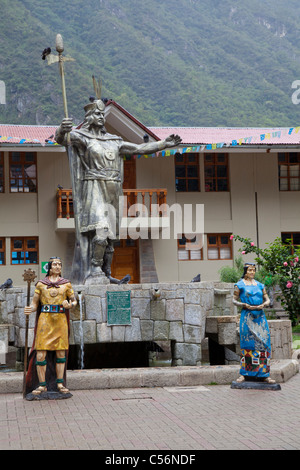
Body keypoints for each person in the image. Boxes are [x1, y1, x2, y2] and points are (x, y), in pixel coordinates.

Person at [55, 99, 182, 284]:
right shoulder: (83, 138)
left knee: (110, 239)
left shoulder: (114, 141)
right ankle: (95, 269)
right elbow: (62, 140)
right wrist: (62, 129)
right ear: (89, 117)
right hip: (94, 186)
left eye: (101, 114)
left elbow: (140, 148)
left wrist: (164, 143)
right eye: (97, 114)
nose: (100, 117)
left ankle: (106, 272)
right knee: (101, 230)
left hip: (113, 189)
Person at [24, 257, 77, 396]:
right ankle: (42, 385)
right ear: (49, 267)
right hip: (45, 321)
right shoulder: (41, 284)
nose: (58, 266)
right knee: (41, 353)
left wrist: (69, 305)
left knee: (60, 352)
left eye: (60, 264)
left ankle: (60, 383)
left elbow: (74, 301)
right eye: (55, 264)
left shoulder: (66, 284)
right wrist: (30, 309)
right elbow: (35, 304)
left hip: (60, 321)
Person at [233, 263, 275, 384]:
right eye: (250, 270)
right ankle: (245, 373)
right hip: (247, 316)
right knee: (247, 344)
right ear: (245, 271)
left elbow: (267, 299)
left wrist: (265, 304)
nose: (252, 272)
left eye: (254, 270)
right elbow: (233, 300)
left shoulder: (260, 285)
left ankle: (264, 374)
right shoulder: (239, 285)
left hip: (260, 317)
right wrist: (243, 305)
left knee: (264, 343)